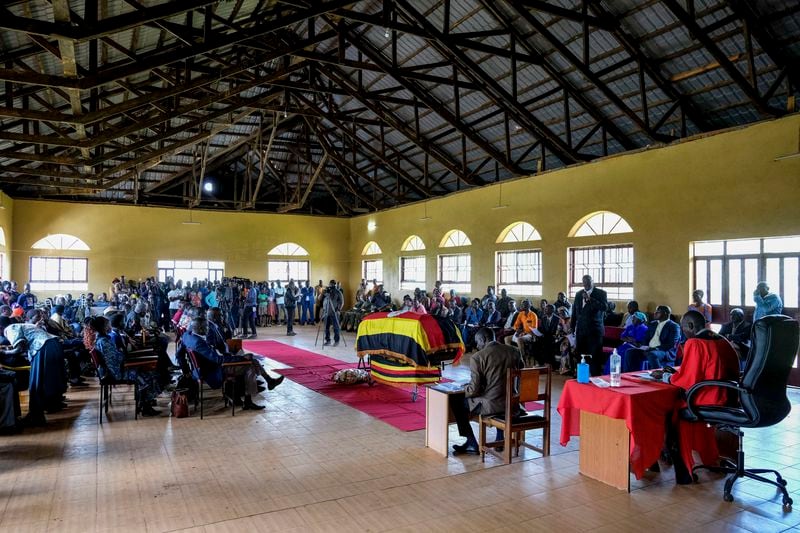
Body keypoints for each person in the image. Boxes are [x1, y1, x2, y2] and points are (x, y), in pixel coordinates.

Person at [651, 310, 740, 484]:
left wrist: (665, 377)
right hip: (729, 397)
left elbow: (688, 380)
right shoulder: (723, 340)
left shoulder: (695, 342)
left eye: (683, 327)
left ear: (691, 326)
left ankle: (680, 467)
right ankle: (704, 455)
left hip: (707, 398)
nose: (683, 332)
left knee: (671, 408)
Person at [450, 328, 523, 455]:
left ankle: (471, 442)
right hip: (513, 403)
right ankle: (500, 437)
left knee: (456, 400)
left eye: (477, 342)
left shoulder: (478, 357)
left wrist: (464, 388)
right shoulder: (514, 351)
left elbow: (473, 390)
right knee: (499, 392)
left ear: (483, 339)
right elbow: (521, 372)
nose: (477, 346)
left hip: (491, 406)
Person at [178, 317, 264, 410]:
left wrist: (185, 369)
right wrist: (239, 358)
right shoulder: (198, 342)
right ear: (200, 329)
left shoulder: (187, 335)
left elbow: (179, 354)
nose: (208, 329)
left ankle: (238, 395)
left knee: (247, 362)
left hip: (199, 369)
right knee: (248, 366)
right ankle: (248, 400)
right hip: (211, 372)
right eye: (206, 327)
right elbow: (218, 360)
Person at [89, 316, 162, 416]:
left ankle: (144, 402)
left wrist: (123, 353)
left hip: (114, 369)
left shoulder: (103, 339)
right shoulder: (103, 342)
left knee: (147, 371)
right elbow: (116, 360)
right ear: (104, 327)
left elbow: (117, 356)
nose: (110, 326)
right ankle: (145, 407)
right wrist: (124, 353)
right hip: (114, 373)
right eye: (108, 324)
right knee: (147, 375)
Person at [1, 318, 68, 425]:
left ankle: (36, 416)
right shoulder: (24, 325)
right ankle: (40, 412)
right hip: (54, 345)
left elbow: (19, 348)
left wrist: (4, 353)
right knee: (44, 382)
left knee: (36, 383)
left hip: (43, 347)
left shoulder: (10, 328)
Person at [206, 308, 284, 391]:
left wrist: (226, 325)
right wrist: (238, 358)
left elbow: (228, 338)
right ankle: (256, 385)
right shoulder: (210, 330)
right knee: (250, 363)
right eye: (220, 315)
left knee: (252, 359)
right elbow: (216, 352)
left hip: (227, 354)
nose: (222, 316)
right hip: (224, 361)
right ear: (214, 317)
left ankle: (266, 380)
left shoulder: (216, 326)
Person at [570, 275, 608, 376]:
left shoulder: (601, 293)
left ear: (593, 281)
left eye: (588, 281)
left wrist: (590, 299)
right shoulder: (579, 294)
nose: (585, 284)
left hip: (594, 331)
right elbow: (575, 312)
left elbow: (604, 307)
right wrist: (572, 327)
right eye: (584, 282)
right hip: (581, 331)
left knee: (594, 356)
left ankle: (595, 377)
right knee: (580, 355)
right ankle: (582, 376)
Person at [626, 305, 681, 370]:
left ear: (665, 314)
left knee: (652, 354)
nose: (655, 313)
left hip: (663, 351)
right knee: (630, 352)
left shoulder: (674, 326)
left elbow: (670, 344)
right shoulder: (652, 324)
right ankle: (630, 375)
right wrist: (642, 346)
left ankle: (657, 375)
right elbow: (646, 338)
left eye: (658, 312)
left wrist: (655, 349)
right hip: (649, 349)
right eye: (655, 311)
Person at [504, 299, 539, 365]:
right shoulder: (521, 314)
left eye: (526, 304)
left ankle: (522, 359)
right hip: (521, 333)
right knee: (506, 339)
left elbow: (534, 329)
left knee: (519, 339)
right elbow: (515, 325)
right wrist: (518, 330)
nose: (524, 306)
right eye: (523, 305)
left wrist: (523, 333)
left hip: (530, 334)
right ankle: (512, 354)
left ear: (529, 305)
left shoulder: (533, 315)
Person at [322, 280, 343, 346]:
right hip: (327, 312)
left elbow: (342, 302)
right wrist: (323, 292)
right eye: (330, 284)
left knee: (336, 327)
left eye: (332, 284)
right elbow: (320, 299)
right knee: (326, 327)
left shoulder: (338, 292)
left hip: (335, 312)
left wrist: (339, 309)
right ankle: (328, 340)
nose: (331, 285)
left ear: (335, 284)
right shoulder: (327, 291)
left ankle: (337, 341)